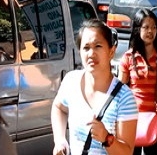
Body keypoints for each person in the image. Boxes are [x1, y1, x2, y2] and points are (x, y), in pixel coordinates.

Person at [51, 19, 138, 155]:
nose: (91, 54)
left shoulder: (124, 97)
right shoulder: (71, 81)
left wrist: (106, 138)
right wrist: (60, 140)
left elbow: (127, 152)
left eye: (98, 46)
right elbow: (58, 107)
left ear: (111, 51)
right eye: (86, 48)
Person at [119, 9, 157, 155]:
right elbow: (120, 92)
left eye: (154, 27)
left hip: (156, 120)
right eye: (145, 27)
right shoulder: (128, 57)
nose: (150, 31)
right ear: (138, 29)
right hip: (132, 119)